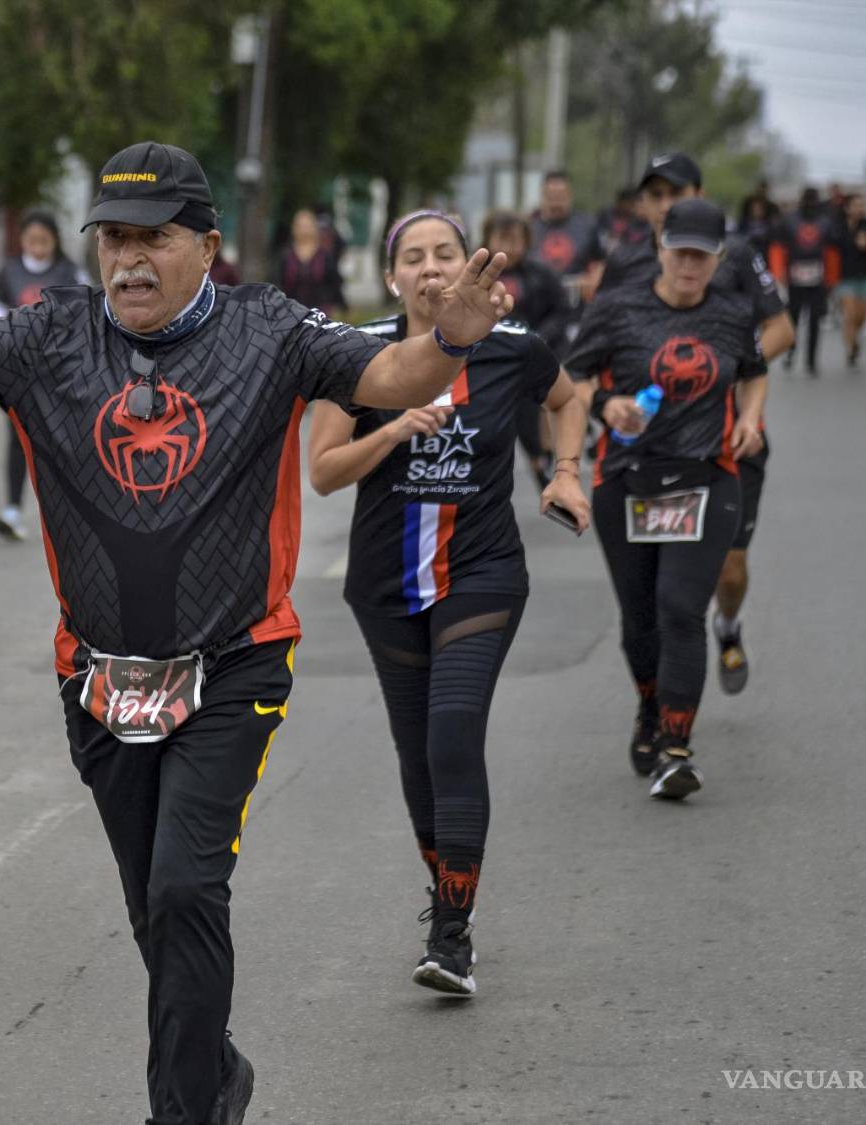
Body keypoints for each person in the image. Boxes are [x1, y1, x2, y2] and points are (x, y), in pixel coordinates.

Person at [0, 140, 513, 1125]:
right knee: (153, 910)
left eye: (150, 238)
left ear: (204, 245)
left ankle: (183, 1110)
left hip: (235, 663)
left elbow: (387, 371)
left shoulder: (269, 329)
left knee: (182, 890)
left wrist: (448, 342)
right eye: (110, 238)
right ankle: (213, 1074)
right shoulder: (46, 337)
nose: (126, 258)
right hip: (97, 679)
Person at [307, 210, 589, 995]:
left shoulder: (515, 348)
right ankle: (446, 891)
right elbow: (323, 471)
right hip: (386, 584)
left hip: (483, 571)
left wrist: (566, 471)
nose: (431, 269)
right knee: (417, 752)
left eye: (446, 254)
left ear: (476, 267)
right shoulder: (354, 354)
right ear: (391, 275)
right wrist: (393, 429)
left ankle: (452, 933)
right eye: (413, 258)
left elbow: (568, 400)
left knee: (454, 730)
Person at [568, 199, 767, 799]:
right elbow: (570, 379)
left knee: (680, 608)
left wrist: (752, 417)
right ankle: (651, 709)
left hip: (707, 477)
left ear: (717, 259)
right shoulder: (617, 308)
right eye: (680, 252)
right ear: (660, 249)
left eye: (701, 257)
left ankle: (676, 748)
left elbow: (755, 369)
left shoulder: (734, 314)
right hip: (627, 480)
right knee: (639, 623)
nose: (689, 266)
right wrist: (606, 406)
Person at [598, 152, 791, 699]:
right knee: (662, 593)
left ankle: (726, 625)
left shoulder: (736, 257)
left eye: (675, 194)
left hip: (727, 434)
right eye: (654, 196)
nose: (664, 205)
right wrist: (612, 405)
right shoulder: (625, 263)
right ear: (642, 206)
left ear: (699, 196)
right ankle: (664, 701)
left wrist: (722, 375)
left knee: (729, 570)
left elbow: (779, 329)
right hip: (652, 445)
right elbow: (600, 346)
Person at [0, 211, 88, 542]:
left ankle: (71, 511)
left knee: (62, 441)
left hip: (61, 373)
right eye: (32, 240)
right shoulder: (8, 273)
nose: (38, 246)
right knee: (18, 440)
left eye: (44, 240)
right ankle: (12, 509)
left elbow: (87, 320)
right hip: (21, 372)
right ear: (23, 241)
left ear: (54, 241)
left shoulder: (71, 273)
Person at [482, 210, 568, 489]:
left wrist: (540, 337)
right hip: (486, 360)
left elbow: (560, 310)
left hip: (528, 358)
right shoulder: (477, 275)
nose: (508, 248)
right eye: (501, 239)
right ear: (488, 239)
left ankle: (541, 461)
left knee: (531, 414)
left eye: (515, 240)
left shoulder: (541, 275)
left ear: (527, 241)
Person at [769, 187, 840, 378]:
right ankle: (791, 353)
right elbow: (778, 247)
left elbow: (833, 250)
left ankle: (811, 361)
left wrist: (832, 278)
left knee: (815, 319)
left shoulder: (826, 221)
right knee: (794, 319)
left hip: (818, 278)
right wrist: (779, 272)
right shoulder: (789, 220)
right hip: (795, 277)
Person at [530, 170, 605, 310]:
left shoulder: (587, 225)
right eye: (551, 197)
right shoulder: (528, 227)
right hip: (537, 304)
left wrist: (592, 280)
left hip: (576, 303)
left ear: (570, 196)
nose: (555, 203)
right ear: (542, 197)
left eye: (560, 197)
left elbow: (600, 261)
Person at [835, 194, 866, 368]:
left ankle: (854, 337)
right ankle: (851, 348)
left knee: (862, 317)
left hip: (865, 277)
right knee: (850, 314)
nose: (859, 209)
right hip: (844, 278)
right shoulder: (838, 226)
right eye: (855, 205)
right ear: (847, 208)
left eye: (862, 205)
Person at [276, 206, 346, 319]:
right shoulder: (286, 256)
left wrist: (343, 307)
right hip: (292, 315)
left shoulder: (324, 255)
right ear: (294, 228)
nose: (304, 230)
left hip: (321, 315)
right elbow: (279, 285)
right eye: (300, 226)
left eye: (307, 226)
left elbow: (335, 284)